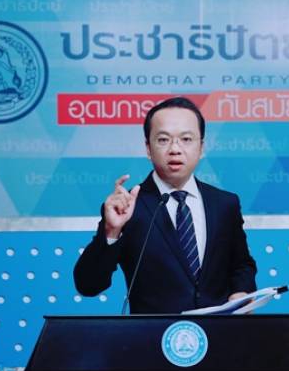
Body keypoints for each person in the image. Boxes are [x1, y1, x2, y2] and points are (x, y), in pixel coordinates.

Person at [73, 97, 257, 313]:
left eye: (186, 139)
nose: (175, 149)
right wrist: (112, 231)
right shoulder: (127, 207)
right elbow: (88, 284)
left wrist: (242, 291)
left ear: (201, 147)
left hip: (217, 331)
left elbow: (242, 264)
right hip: (153, 333)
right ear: (148, 148)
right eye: (163, 140)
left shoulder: (225, 203)